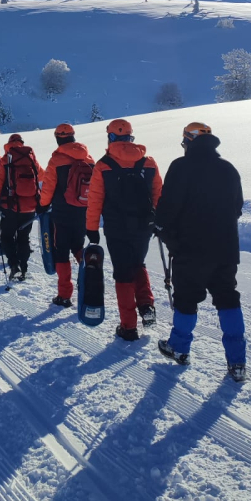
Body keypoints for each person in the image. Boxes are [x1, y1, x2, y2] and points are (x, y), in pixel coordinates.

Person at [155, 121, 247, 382]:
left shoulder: (181, 166)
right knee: (228, 298)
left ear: (188, 140)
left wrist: (160, 227)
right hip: (226, 248)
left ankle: (179, 347)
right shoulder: (228, 169)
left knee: (186, 299)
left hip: (190, 248)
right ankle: (237, 361)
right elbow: (237, 207)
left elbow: (168, 205)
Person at [85, 120, 162, 341]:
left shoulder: (103, 165)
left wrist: (91, 228)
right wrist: (160, 221)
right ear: (130, 137)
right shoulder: (148, 162)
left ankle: (128, 326)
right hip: (144, 226)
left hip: (116, 227)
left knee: (122, 272)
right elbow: (159, 194)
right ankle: (146, 305)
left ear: (110, 137)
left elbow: (95, 200)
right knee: (138, 264)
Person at [39, 123, 95, 308]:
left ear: (57, 138)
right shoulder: (89, 158)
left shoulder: (56, 160)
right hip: (83, 211)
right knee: (78, 246)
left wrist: (43, 205)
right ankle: (90, 283)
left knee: (61, 250)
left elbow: (47, 187)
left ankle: (64, 295)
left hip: (62, 212)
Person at [0, 134, 43, 279]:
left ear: (9, 144)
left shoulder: (6, 159)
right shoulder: (31, 158)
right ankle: (24, 268)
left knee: (7, 237)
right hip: (30, 206)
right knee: (23, 238)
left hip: (11, 206)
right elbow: (42, 175)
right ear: (22, 143)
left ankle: (14, 265)